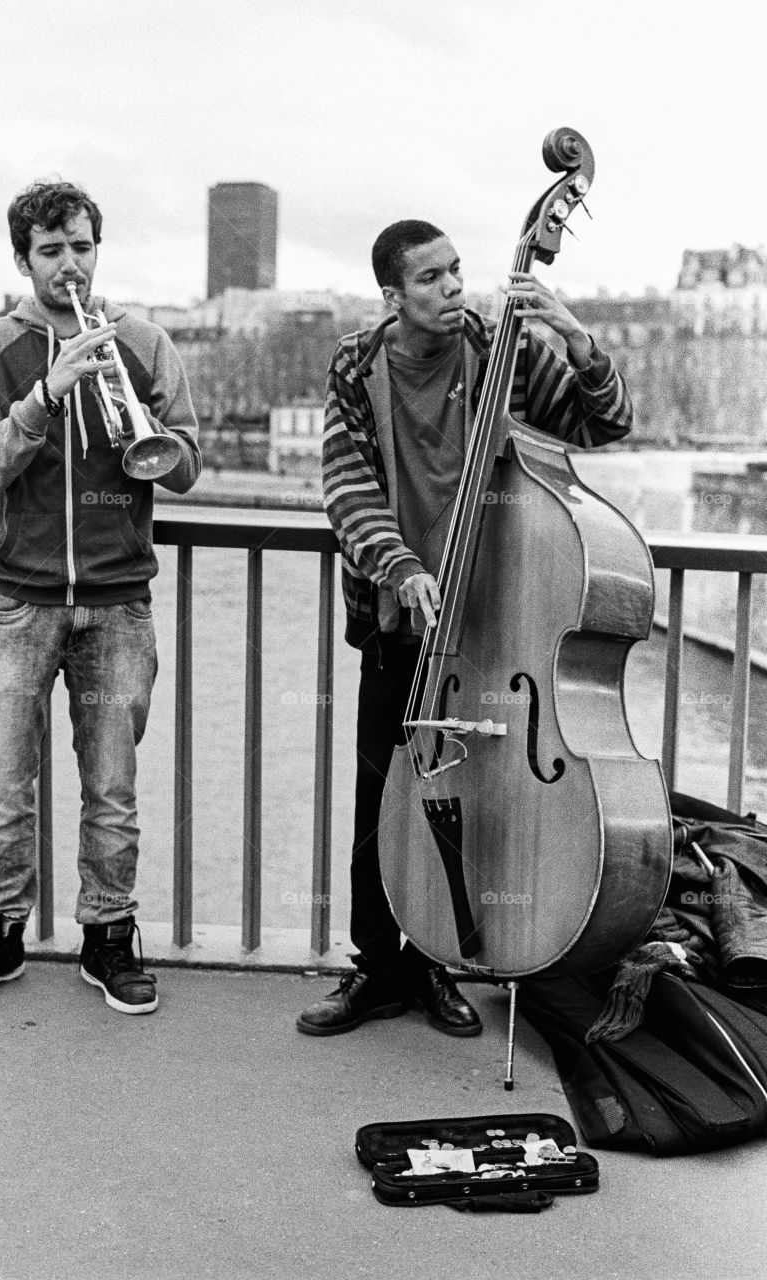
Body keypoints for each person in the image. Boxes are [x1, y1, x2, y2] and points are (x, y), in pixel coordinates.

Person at [297, 219, 633, 1037]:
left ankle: (445, 960)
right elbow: (346, 485)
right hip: (397, 615)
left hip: (493, 618)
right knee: (384, 798)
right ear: (392, 295)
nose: (452, 288)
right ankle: (379, 968)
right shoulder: (355, 364)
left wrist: (575, 336)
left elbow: (606, 424)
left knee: (475, 794)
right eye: (431, 278)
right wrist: (402, 568)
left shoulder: (500, 349)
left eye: (456, 272)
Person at [0, 179, 200, 1013]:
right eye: (51, 251)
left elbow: (186, 466)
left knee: (113, 788)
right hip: (17, 600)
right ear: (24, 259)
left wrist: (141, 435)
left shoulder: (146, 341)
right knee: (3, 786)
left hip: (118, 600)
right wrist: (47, 395)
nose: (69, 265)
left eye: (81, 247)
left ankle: (110, 937)